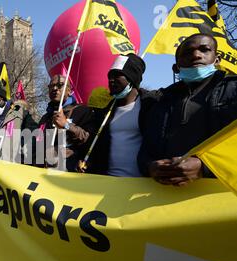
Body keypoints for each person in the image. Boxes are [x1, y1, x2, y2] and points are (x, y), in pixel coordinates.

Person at [138, 33, 237, 186]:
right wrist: (150, 167)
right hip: (165, 200)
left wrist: (205, 167)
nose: (196, 55)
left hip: (224, 198)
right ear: (177, 66)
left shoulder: (234, 89)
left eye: (204, 50)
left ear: (217, 59)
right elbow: (146, 149)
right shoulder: (162, 99)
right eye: (187, 52)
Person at [78, 53, 161, 176]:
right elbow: (97, 145)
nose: (111, 80)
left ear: (132, 79)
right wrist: (89, 162)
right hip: (109, 182)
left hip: (141, 184)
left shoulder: (151, 105)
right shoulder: (106, 112)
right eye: (110, 76)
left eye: (117, 76)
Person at [37, 74, 94, 172]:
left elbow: (88, 139)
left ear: (69, 90)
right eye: (51, 86)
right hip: (44, 172)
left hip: (69, 172)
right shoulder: (45, 118)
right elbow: (37, 144)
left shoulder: (82, 111)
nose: (55, 88)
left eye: (60, 85)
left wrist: (66, 125)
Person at [0, 81, 37, 163]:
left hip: (13, 168)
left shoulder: (19, 112)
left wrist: (21, 154)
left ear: (1, 97)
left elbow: (34, 134)